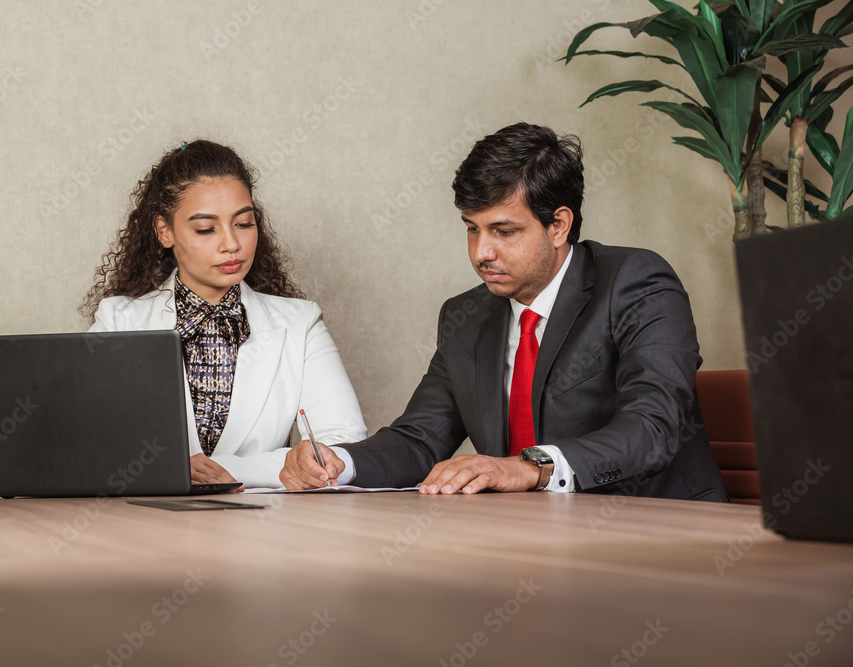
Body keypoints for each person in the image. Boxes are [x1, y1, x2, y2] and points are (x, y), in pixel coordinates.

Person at [280, 122, 728, 501]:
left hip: (663, 541)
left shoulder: (636, 282)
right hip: (530, 546)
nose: (481, 252)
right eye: (472, 230)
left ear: (559, 225)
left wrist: (530, 466)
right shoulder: (467, 316)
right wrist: (341, 462)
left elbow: (652, 427)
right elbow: (419, 440)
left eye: (503, 231)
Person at [82, 140, 367, 489]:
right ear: (164, 231)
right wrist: (167, 469)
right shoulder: (117, 321)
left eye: (244, 223)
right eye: (206, 229)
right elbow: (89, 444)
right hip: (144, 525)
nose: (231, 243)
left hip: (263, 528)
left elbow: (341, 444)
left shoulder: (300, 323)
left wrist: (233, 471)